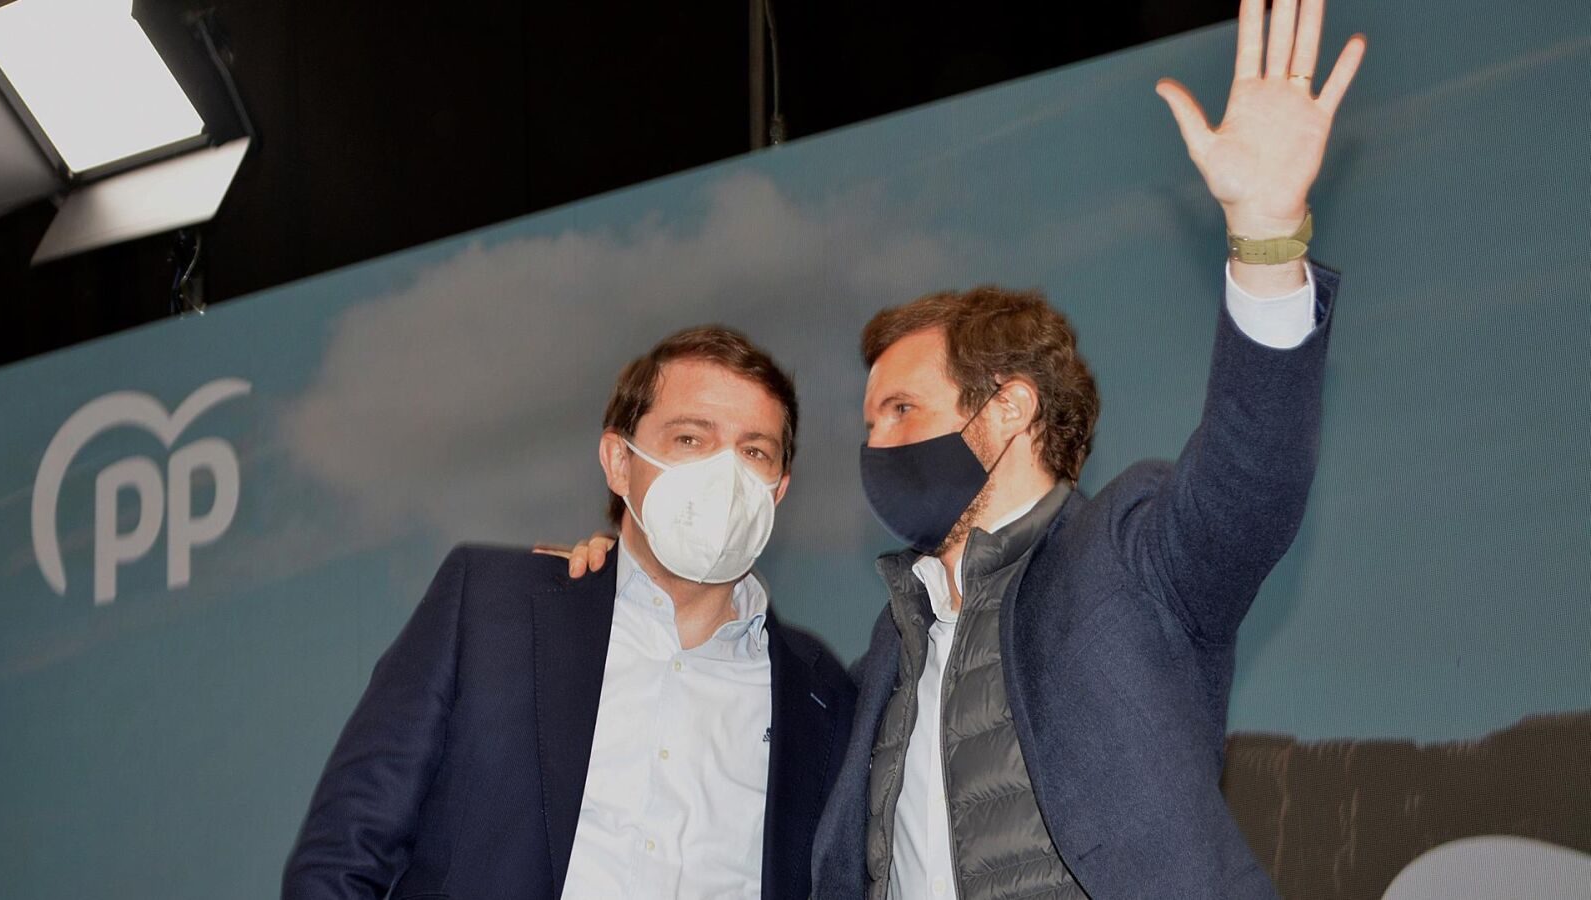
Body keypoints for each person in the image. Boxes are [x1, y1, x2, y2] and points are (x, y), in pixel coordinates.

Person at [563, 0, 1364, 896]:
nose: (877, 445)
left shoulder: (1129, 557)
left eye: (902, 410)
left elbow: (1252, 480)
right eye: (871, 423)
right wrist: (622, 574)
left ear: (1010, 408)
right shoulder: (882, 658)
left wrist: (1266, 243)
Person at [281, 326, 856, 900]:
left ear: (778, 489)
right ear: (619, 462)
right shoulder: (491, 609)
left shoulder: (823, 696)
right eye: (690, 438)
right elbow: (344, 853)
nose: (724, 475)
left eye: (754, 451)